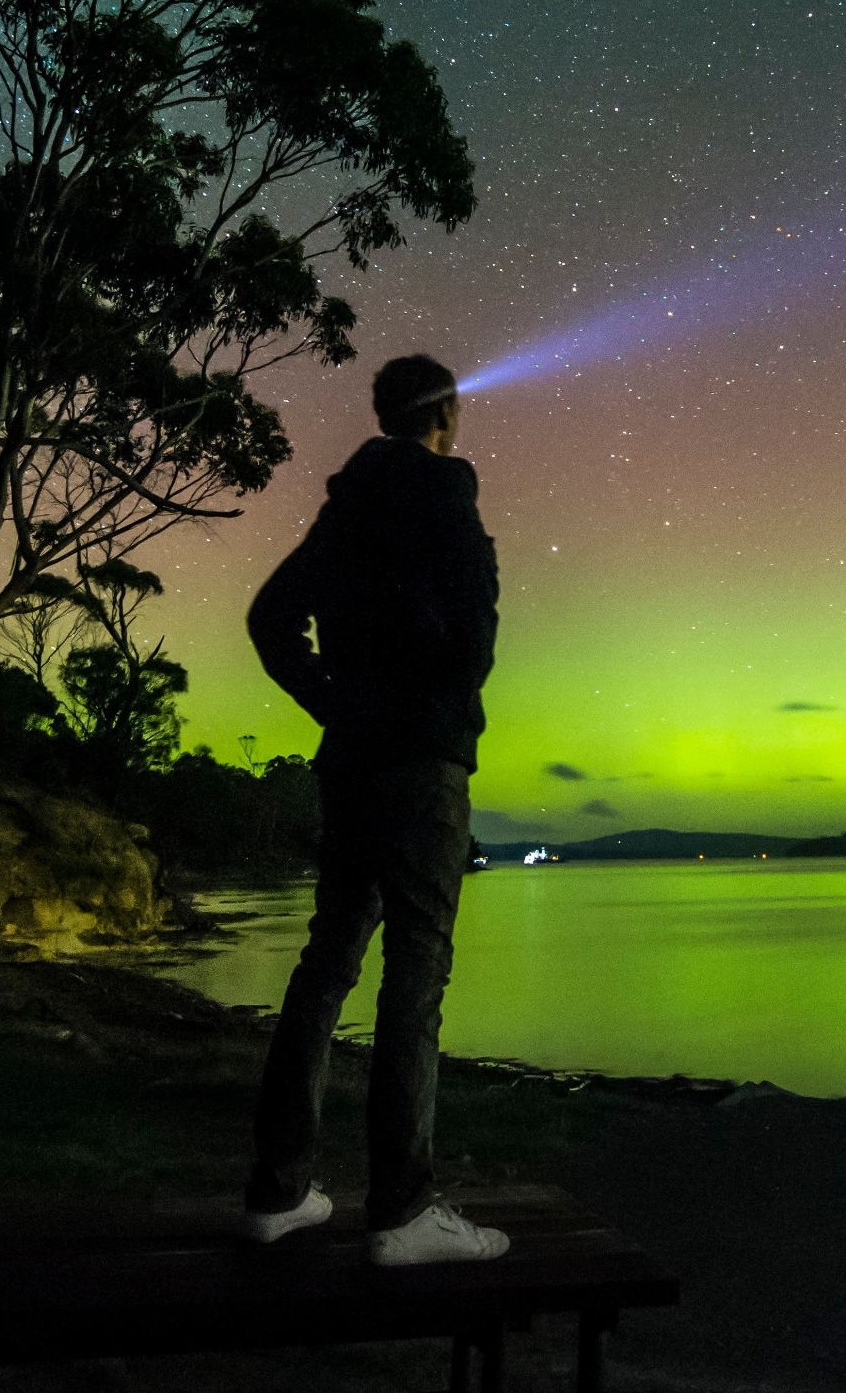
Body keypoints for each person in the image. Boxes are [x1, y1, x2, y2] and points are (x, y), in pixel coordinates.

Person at [238, 353, 508, 1265]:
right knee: (415, 976)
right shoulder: (446, 496)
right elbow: (473, 648)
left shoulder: (345, 509)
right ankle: (400, 1210)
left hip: (350, 763)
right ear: (447, 414)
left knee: (326, 967)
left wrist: (336, 703)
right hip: (420, 768)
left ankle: (278, 1192)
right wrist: (418, 699)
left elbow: (271, 617)